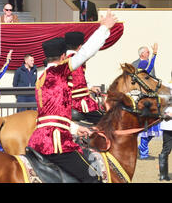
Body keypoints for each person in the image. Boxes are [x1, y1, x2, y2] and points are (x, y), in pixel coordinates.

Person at [27, 10, 118, 183]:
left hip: (41, 137)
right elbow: (84, 53)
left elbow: (52, 115)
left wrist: (75, 129)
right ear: (63, 57)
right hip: (56, 142)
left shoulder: (41, 79)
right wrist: (104, 28)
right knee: (94, 178)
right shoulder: (58, 71)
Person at [65, 31, 103, 124]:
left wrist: (90, 87)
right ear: (80, 46)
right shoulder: (75, 59)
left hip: (66, 100)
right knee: (105, 121)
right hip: (78, 102)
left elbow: (76, 78)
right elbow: (78, 83)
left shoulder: (63, 58)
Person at [136, 42, 160, 160]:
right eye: (147, 52)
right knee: (148, 127)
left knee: (154, 126)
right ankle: (143, 151)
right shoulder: (143, 63)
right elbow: (149, 67)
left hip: (150, 99)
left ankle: (142, 147)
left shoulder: (142, 65)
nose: (148, 53)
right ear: (142, 54)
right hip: (146, 101)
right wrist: (155, 54)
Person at [158, 73, 172, 181]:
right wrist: (166, 114)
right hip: (168, 124)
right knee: (166, 149)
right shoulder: (165, 89)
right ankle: (163, 175)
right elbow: (160, 106)